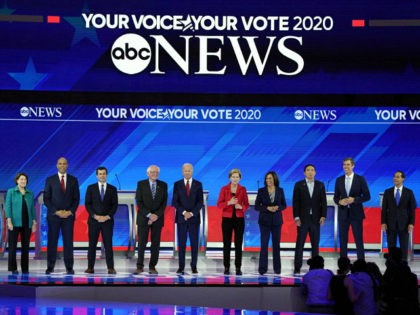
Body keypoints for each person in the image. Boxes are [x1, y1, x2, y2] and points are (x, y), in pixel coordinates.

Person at [44, 157, 80, 274]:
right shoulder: (50, 180)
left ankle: (69, 267)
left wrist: (70, 211)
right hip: (54, 216)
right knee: (52, 241)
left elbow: (76, 199)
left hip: (68, 217)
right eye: (60, 163)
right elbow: (46, 199)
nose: (62, 165)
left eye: (64, 164)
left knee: (68, 242)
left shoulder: (74, 180)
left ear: (67, 165)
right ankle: (50, 266)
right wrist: (56, 211)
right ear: (56, 165)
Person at [292, 164, 327, 274]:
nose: (310, 172)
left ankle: (315, 268)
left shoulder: (320, 185)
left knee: (315, 244)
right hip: (303, 219)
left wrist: (323, 216)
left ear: (315, 172)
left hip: (316, 219)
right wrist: (296, 217)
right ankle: (297, 267)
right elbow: (295, 202)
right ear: (304, 173)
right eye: (308, 170)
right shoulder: (298, 185)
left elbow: (324, 202)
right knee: (300, 244)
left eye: (312, 170)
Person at [133, 165, 168, 275]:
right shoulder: (141, 184)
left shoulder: (163, 185)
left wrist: (156, 215)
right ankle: (139, 266)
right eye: (152, 172)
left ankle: (152, 266)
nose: (154, 174)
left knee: (155, 244)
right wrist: (149, 215)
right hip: (143, 218)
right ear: (147, 173)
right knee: (142, 243)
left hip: (158, 219)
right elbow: (139, 201)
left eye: (156, 172)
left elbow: (164, 203)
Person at [333, 157, 370, 259]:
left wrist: (354, 200)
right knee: (343, 240)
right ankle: (343, 262)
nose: (346, 166)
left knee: (358, 239)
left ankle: (361, 262)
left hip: (356, 214)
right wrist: (340, 201)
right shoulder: (339, 180)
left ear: (353, 166)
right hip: (343, 213)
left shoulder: (360, 179)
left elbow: (367, 196)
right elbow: (336, 197)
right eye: (344, 164)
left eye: (348, 164)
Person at [84, 166, 118, 275]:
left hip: (107, 221)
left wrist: (107, 216)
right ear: (96, 175)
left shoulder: (113, 189)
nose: (102, 175)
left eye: (104, 174)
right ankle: (90, 267)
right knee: (92, 245)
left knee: (108, 245)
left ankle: (111, 267)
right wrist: (95, 216)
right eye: (100, 174)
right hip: (94, 221)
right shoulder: (91, 188)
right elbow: (87, 204)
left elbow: (115, 205)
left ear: (107, 175)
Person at [172, 163, 203, 275]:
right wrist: (185, 213)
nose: (187, 172)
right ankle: (181, 267)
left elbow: (200, 202)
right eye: (185, 170)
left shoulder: (198, 184)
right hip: (181, 219)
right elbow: (174, 202)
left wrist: (192, 213)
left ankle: (194, 266)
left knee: (194, 244)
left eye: (189, 170)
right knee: (182, 244)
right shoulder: (177, 184)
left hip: (194, 219)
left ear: (192, 171)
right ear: (182, 171)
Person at [217, 168, 249, 275]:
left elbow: (247, 204)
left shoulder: (243, 189)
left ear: (240, 178)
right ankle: (226, 267)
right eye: (233, 177)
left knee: (238, 244)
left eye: (237, 177)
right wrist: (229, 202)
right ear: (230, 177)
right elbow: (219, 204)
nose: (235, 179)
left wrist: (241, 206)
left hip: (239, 219)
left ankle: (238, 267)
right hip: (227, 218)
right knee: (227, 243)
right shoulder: (224, 189)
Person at [254, 171, 286, 275]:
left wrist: (278, 207)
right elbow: (257, 206)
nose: (268, 180)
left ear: (275, 179)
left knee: (276, 245)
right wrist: (267, 207)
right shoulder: (261, 191)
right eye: (267, 178)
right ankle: (262, 269)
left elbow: (284, 205)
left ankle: (277, 269)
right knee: (264, 245)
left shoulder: (280, 190)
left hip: (277, 221)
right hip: (264, 221)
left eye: (270, 178)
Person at [5, 172, 37, 274]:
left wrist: (34, 222)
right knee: (13, 247)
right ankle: (13, 268)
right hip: (14, 223)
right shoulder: (11, 192)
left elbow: (32, 209)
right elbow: (8, 206)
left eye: (25, 179)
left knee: (25, 247)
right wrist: (9, 220)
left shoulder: (30, 193)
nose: (23, 181)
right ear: (17, 180)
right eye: (21, 179)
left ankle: (25, 268)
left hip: (27, 223)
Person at [381, 170, 416, 261]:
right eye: (394, 176)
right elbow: (384, 209)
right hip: (390, 223)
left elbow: (412, 210)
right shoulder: (387, 192)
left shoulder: (409, 192)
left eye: (398, 177)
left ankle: (404, 262)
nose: (395, 178)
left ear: (403, 179)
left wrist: (411, 223)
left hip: (404, 224)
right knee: (391, 245)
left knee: (404, 245)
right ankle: (391, 263)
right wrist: (383, 222)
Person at [381, 247, 419, 315]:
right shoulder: (408, 271)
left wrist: (390, 267)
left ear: (391, 257)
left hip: (394, 305)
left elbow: (383, 285)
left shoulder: (392, 270)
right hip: (408, 306)